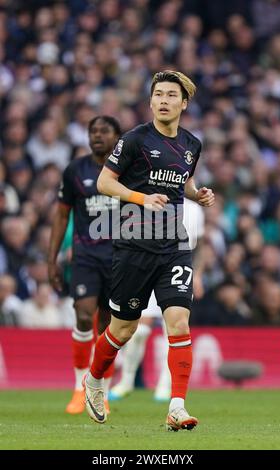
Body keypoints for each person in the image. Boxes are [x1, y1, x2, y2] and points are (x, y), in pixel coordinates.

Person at [83, 70, 215, 431]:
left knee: (179, 321)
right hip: (133, 246)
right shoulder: (135, 140)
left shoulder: (191, 144)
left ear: (183, 103)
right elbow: (104, 181)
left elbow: (181, 180)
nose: (163, 101)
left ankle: (176, 406)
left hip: (173, 245)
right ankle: (94, 380)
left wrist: (197, 194)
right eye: (158, 94)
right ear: (151, 100)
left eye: (171, 95)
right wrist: (141, 197)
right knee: (123, 330)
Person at [48, 116, 121, 414]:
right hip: (85, 258)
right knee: (82, 315)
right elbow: (62, 215)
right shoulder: (75, 171)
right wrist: (51, 259)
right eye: (93, 131)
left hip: (119, 258)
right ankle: (79, 387)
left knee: (108, 327)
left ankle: (98, 390)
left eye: (104, 131)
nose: (97, 136)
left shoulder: (128, 170)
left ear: (118, 137)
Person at [109, 198, 205, 402]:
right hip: (149, 267)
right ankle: (126, 382)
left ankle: (165, 384)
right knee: (139, 330)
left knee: (174, 328)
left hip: (176, 268)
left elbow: (200, 245)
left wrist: (198, 274)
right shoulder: (154, 197)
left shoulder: (194, 208)